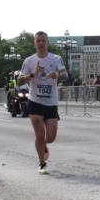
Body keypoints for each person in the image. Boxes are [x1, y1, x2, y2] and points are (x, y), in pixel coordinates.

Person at [18, 31, 67, 174]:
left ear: (47, 42)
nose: (40, 43)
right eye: (38, 41)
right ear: (34, 43)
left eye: (43, 41)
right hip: (35, 101)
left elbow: (65, 74)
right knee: (39, 135)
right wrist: (33, 73)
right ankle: (42, 163)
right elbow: (20, 80)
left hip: (51, 103)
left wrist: (57, 74)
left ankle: (44, 145)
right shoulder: (29, 61)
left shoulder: (56, 59)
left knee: (50, 138)